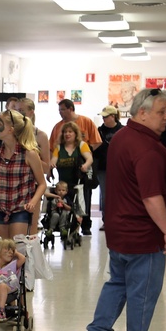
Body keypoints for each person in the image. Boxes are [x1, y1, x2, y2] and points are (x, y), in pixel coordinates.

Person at [83, 88, 166, 331]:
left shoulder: (122, 137)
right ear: (142, 113)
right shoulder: (147, 149)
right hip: (143, 233)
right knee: (144, 290)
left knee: (118, 282)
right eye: (161, 112)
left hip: (120, 228)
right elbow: (152, 197)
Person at [0, 109, 47, 239]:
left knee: (17, 250)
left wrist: (33, 203)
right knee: (4, 252)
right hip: (0, 208)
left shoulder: (29, 154)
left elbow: (42, 184)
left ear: (11, 130)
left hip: (21, 208)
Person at [51, 99, 102, 233]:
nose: (60, 112)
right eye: (59, 110)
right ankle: (65, 224)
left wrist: (84, 159)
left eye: (62, 109)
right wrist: (50, 167)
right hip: (64, 175)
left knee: (83, 199)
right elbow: (52, 152)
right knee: (65, 199)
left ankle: (85, 225)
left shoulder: (86, 122)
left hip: (80, 174)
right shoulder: (57, 128)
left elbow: (96, 142)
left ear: (71, 108)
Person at [16, 98, 51, 234]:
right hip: (14, 186)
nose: (18, 115)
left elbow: (46, 167)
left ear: (31, 112)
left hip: (33, 187)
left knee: (31, 230)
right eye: (16, 111)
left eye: (21, 111)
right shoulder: (12, 134)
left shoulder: (40, 136)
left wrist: (31, 156)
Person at [51, 121, 93, 234]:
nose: (67, 134)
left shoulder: (82, 145)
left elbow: (89, 158)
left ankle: (80, 228)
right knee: (64, 204)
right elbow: (53, 159)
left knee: (80, 206)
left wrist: (85, 165)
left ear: (75, 134)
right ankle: (63, 225)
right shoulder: (59, 148)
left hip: (78, 182)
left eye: (70, 132)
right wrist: (52, 165)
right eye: (65, 132)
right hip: (63, 184)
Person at [94, 105, 123, 230]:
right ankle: (107, 220)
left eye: (106, 117)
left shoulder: (123, 130)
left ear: (113, 117)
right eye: (103, 117)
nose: (104, 119)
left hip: (120, 168)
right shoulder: (98, 131)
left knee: (120, 194)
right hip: (103, 167)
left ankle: (120, 219)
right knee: (105, 195)